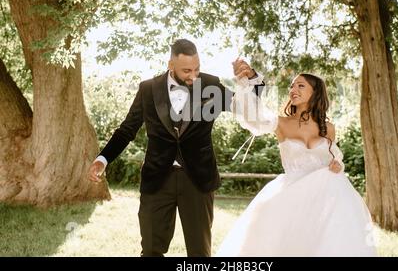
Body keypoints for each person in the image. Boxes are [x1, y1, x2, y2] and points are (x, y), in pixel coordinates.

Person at [87, 39, 264, 257]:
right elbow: (127, 130)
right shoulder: (148, 89)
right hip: (157, 179)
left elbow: (248, 112)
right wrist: (103, 159)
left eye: (197, 68)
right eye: (187, 70)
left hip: (198, 180)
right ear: (171, 65)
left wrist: (252, 80)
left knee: (199, 254)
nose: (194, 75)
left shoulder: (211, 85)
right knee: (151, 250)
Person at [216, 72, 377, 256]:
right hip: (292, 194)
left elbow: (335, 157)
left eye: (300, 86)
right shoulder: (281, 123)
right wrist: (245, 83)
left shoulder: (328, 128)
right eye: (292, 85)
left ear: (315, 93)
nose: (293, 89)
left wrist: (337, 164)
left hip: (326, 196)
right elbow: (253, 118)